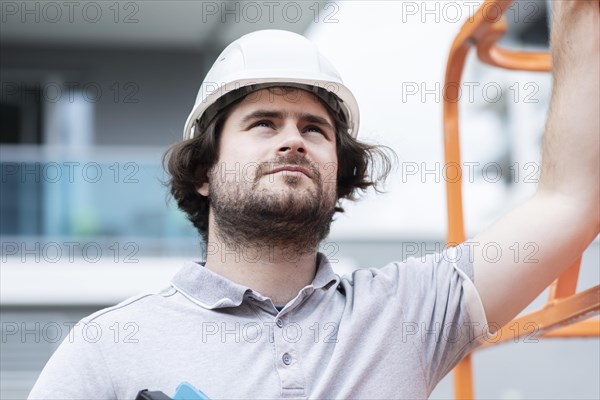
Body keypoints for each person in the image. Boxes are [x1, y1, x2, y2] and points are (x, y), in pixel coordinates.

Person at [29, 2, 599, 399]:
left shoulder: (406, 312)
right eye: (264, 122)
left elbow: (571, 199)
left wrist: (575, 8)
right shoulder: (108, 346)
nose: (293, 138)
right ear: (203, 171)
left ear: (338, 172)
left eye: (315, 128)